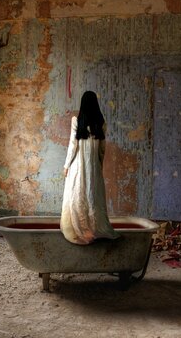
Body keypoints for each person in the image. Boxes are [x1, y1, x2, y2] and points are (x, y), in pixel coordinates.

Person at [61, 91, 120, 245]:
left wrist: (66, 166)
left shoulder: (77, 120)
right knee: (92, 198)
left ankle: (79, 230)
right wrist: (98, 166)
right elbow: (102, 149)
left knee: (77, 197)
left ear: (82, 103)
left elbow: (72, 146)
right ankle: (93, 230)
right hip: (93, 168)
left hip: (77, 168)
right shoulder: (100, 123)